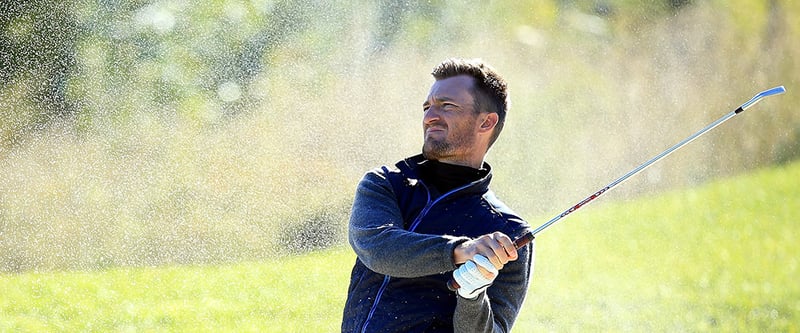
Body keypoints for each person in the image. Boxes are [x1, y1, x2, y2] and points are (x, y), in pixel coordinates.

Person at [341, 58, 534, 332]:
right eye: (427, 107)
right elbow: (379, 248)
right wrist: (458, 251)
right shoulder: (385, 184)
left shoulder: (509, 233)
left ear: (486, 122)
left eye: (447, 106)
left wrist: (472, 295)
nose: (430, 116)